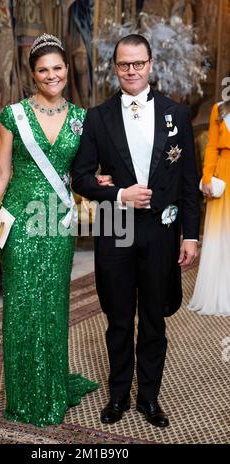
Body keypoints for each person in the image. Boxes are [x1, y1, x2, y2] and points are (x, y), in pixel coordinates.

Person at [0, 33, 112, 427]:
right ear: (33, 74)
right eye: (43, 70)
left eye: (57, 68)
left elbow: (83, 173)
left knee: (53, 305)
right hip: (21, 220)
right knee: (22, 305)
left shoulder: (81, 118)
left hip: (56, 223)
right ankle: (24, 394)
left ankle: (51, 386)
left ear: (67, 71)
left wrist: (102, 183)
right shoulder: (12, 115)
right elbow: (2, 171)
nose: (51, 75)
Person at [71, 34, 200, 428]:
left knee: (155, 319)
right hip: (116, 227)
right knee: (119, 317)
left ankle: (149, 398)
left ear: (150, 64)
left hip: (161, 231)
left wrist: (191, 234)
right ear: (115, 67)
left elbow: (188, 180)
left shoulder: (175, 114)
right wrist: (119, 193)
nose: (131, 71)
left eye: (138, 64)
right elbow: (79, 177)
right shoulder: (97, 116)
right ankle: (117, 397)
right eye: (124, 65)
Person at [188, 100, 230, 316]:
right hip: (224, 175)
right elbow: (212, 146)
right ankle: (219, 293)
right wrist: (206, 178)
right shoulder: (220, 108)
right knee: (219, 235)